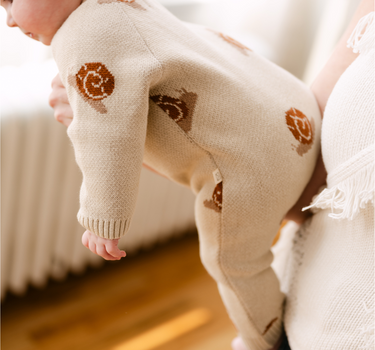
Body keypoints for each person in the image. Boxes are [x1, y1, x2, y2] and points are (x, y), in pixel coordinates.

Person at [1, 0, 323, 349]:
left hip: (254, 169)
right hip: (297, 124)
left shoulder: (83, 33)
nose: (10, 22)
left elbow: (106, 137)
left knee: (231, 261)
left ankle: (265, 339)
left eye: (11, 3)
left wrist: (101, 218)